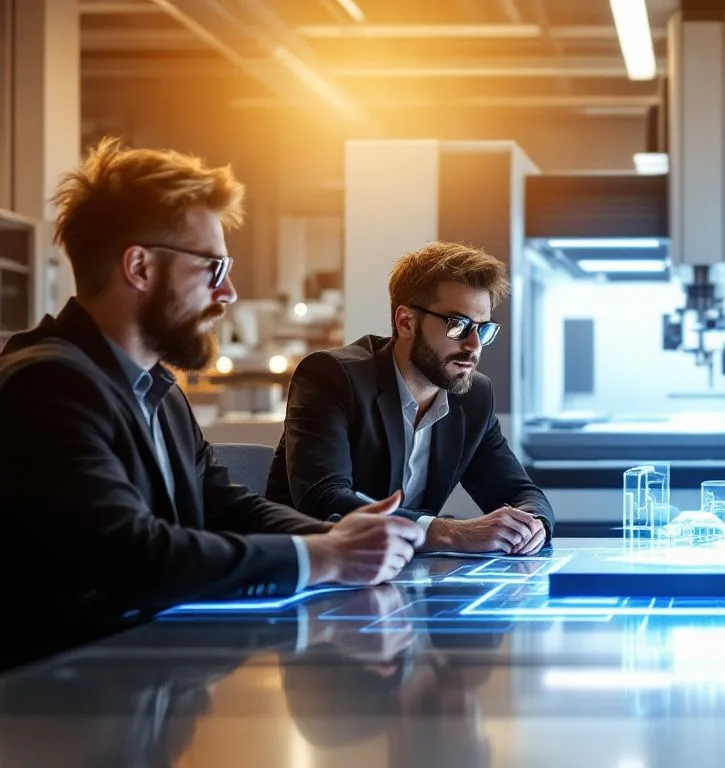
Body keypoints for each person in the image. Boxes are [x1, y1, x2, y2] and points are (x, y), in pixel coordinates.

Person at [0, 138, 423, 669]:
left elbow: (224, 506)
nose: (228, 295)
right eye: (213, 269)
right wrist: (326, 557)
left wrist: (345, 538)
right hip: (51, 713)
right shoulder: (45, 386)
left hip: (136, 684)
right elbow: (136, 557)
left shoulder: (157, 389)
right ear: (140, 267)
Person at [266, 241, 554, 555]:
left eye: (483, 330)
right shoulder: (333, 376)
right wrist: (448, 532)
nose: (474, 345)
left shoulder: (473, 396)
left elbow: (520, 492)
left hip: (405, 577)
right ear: (406, 322)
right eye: (459, 326)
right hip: (313, 571)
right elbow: (325, 498)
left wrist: (532, 524)